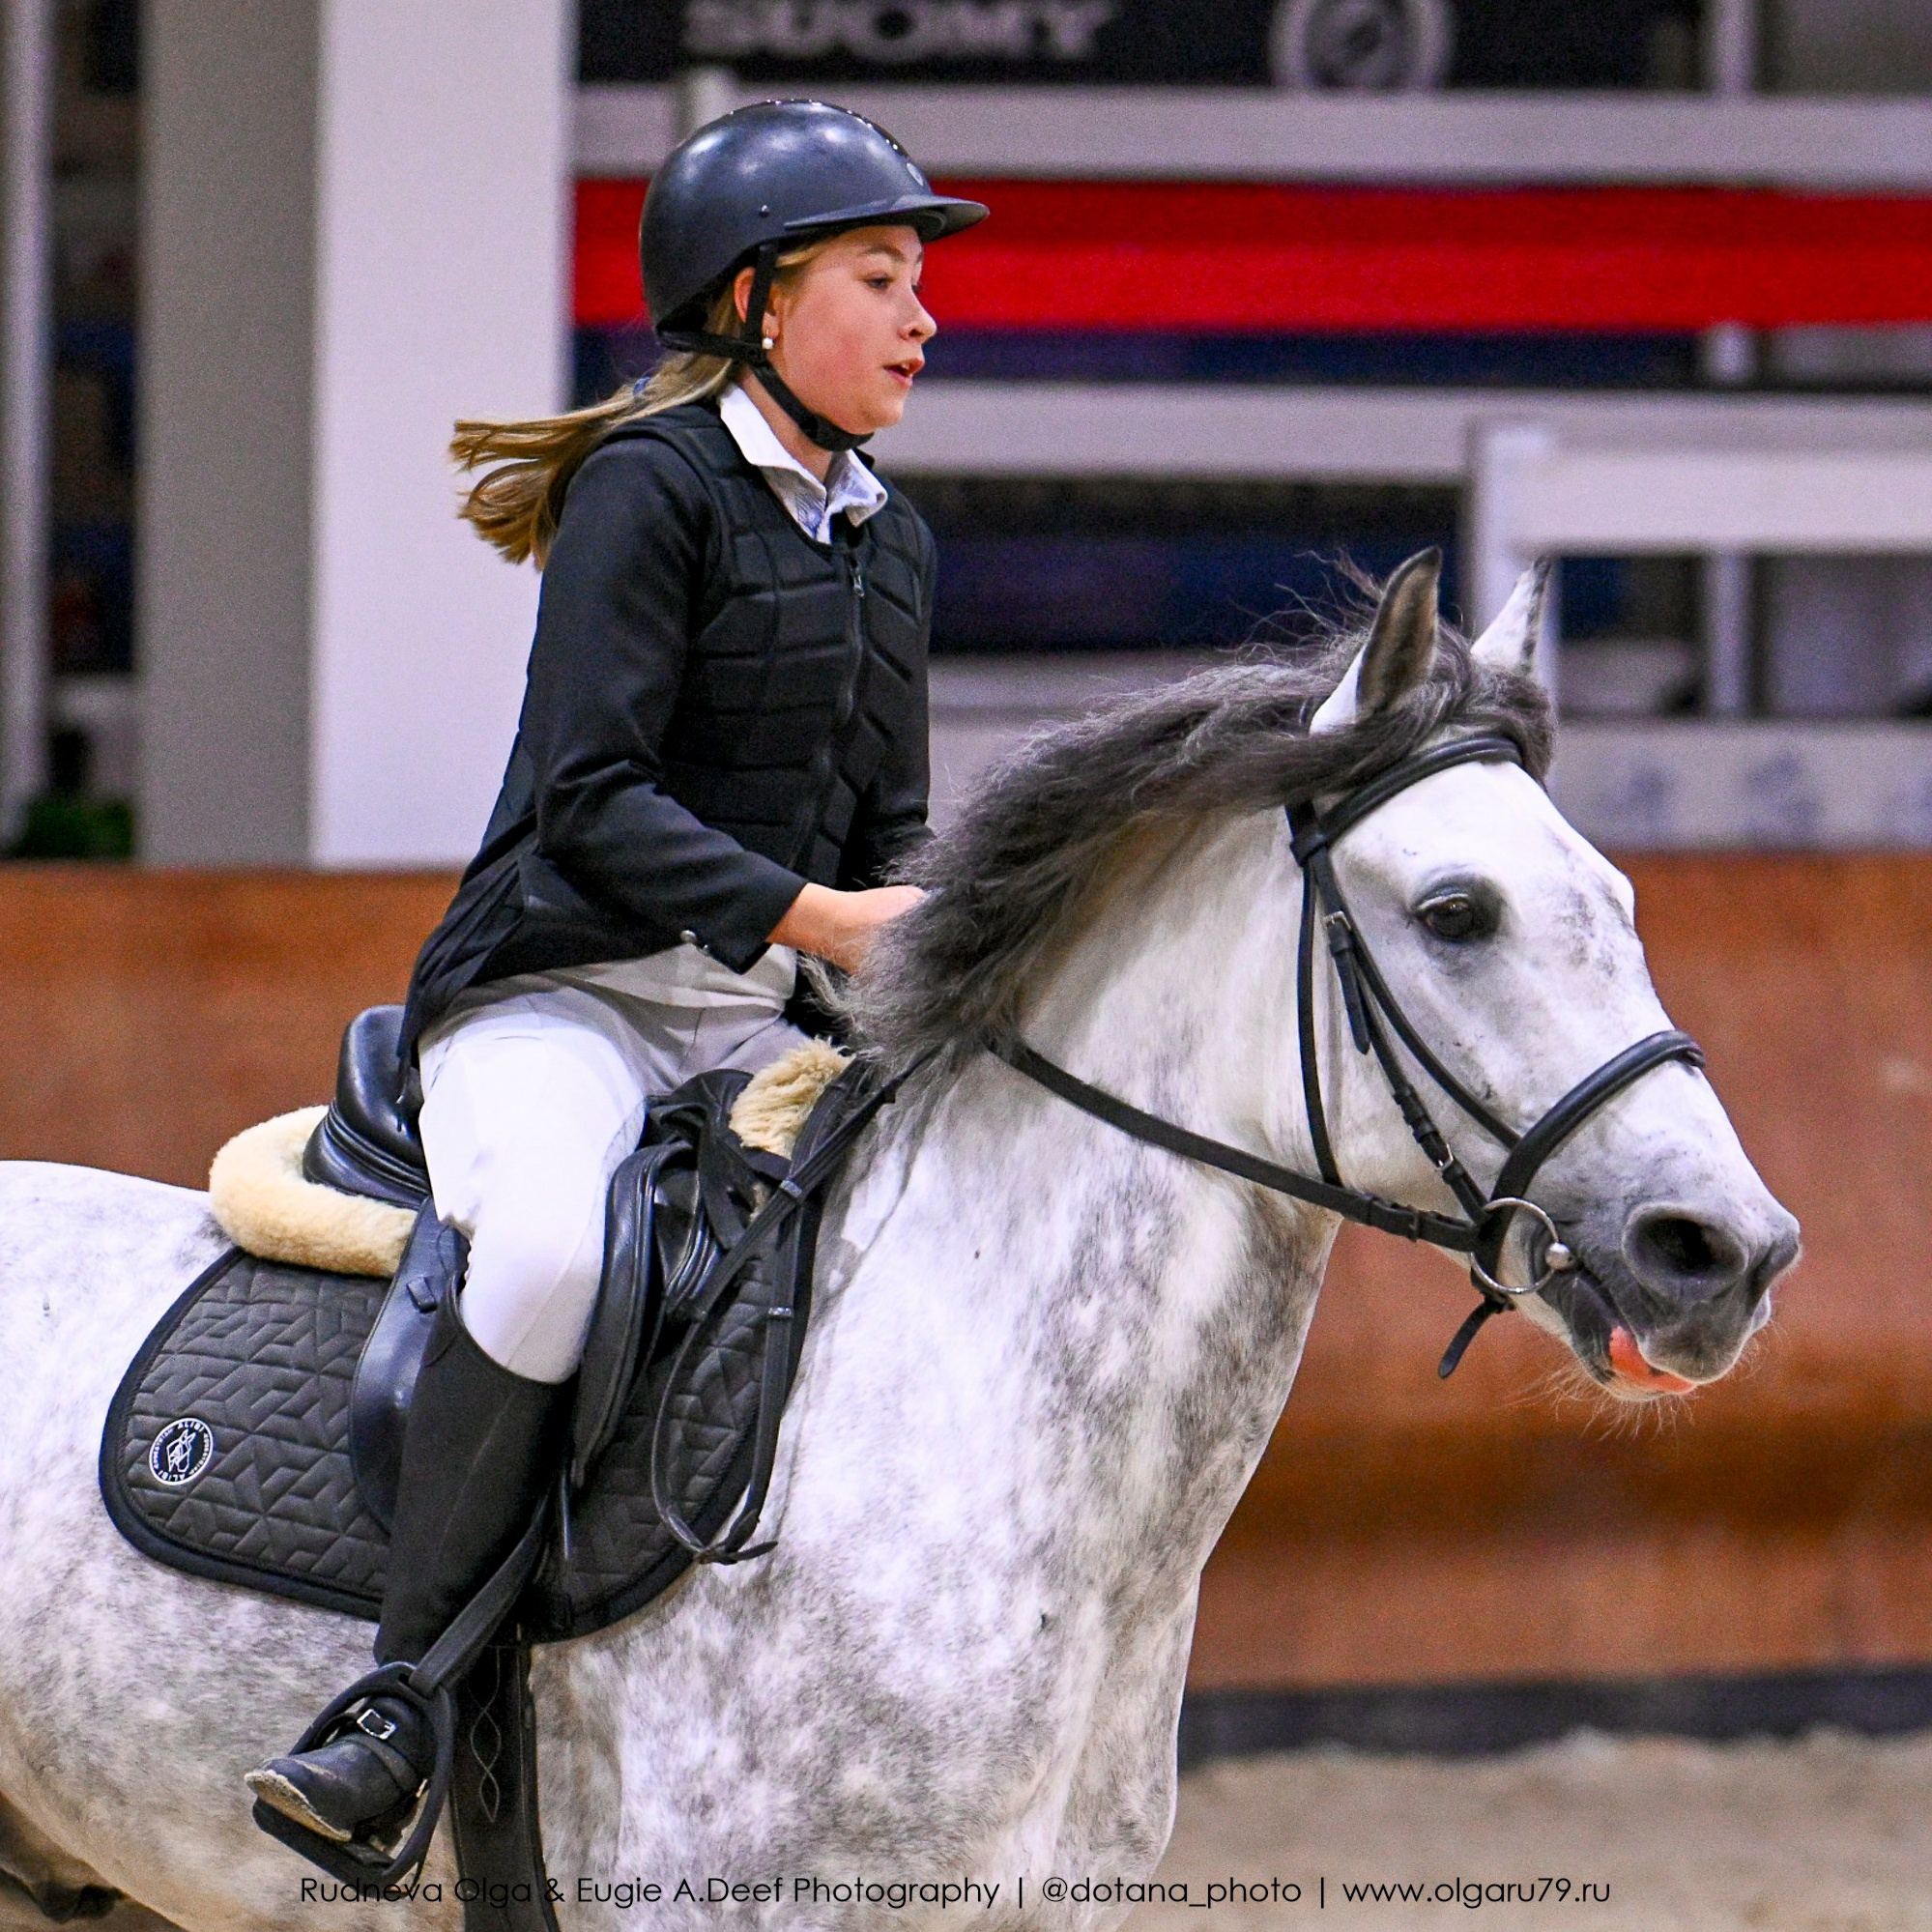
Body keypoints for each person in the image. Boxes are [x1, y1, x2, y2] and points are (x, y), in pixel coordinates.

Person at [246, 100, 986, 1853]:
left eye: (918, 283)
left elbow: (892, 830)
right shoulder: (647, 496)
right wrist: (817, 920)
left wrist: (936, 950)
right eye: (879, 277)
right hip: (555, 996)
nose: (922, 315)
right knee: (562, 1248)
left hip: (752, 1023)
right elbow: (588, 803)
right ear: (754, 301)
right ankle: (396, 1706)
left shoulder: (896, 541)